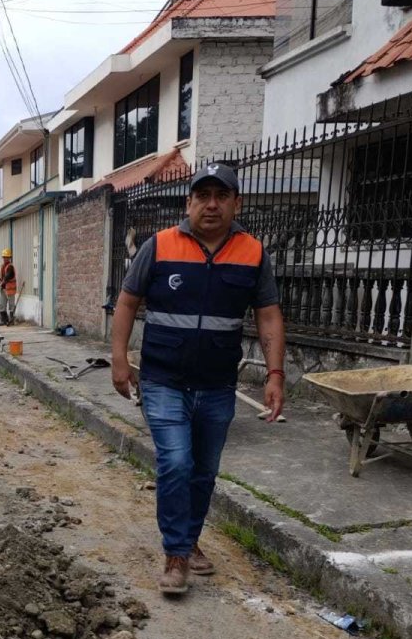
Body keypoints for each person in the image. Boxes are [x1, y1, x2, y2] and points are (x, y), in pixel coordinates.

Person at [110, 163, 286, 595]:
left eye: (221, 196)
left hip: (217, 385)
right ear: (188, 201)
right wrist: (118, 358)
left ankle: (188, 541)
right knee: (176, 463)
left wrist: (275, 373)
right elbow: (128, 302)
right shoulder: (160, 246)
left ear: (236, 203)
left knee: (204, 472)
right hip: (163, 379)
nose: (211, 204)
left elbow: (267, 314)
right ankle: (176, 554)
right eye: (202, 195)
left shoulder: (253, 253)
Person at [0, 248, 18, 325]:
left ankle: (11, 320)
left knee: (11, 306)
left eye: (6, 257)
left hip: (10, 289)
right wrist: (1, 284)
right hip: (3, 289)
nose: (5, 259)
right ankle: (4, 320)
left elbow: (8, 276)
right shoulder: (3, 266)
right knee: (2, 305)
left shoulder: (10, 267)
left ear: (9, 258)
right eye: (4, 257)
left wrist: (2, 283)